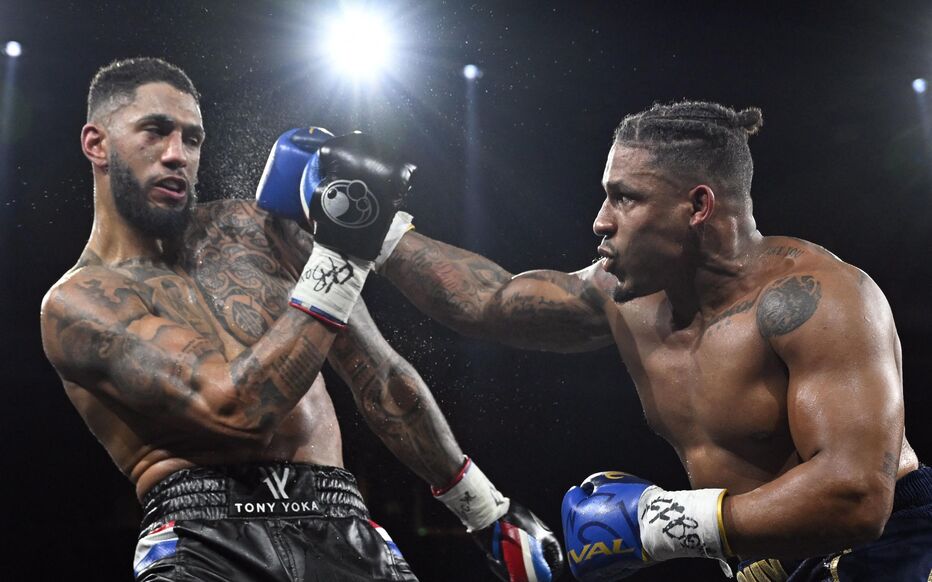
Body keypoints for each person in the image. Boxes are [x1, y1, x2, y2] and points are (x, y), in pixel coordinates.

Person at [343, 101, 931, 580]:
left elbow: (856, 494)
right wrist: (370, 224)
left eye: (625, 197)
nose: (601, 219)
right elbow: (489, 301)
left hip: (894, 548)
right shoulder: (621, 297)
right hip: (770, 563)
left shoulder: (815, 300)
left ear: (697, 206)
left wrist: (659, 523)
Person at [39, 57, 563, 582]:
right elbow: (234, 410)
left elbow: (377, 374)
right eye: (155, 131)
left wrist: (485, 511)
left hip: (342, 522)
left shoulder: (254, 229)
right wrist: (340, 252)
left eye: (193, 139)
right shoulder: (79, 304)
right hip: (207, 540)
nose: (177, 155)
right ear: (97, 143)